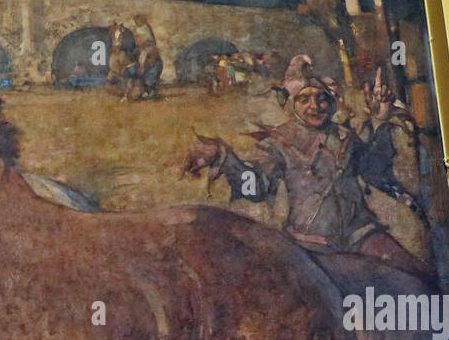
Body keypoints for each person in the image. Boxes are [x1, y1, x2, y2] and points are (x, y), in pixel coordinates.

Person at [181, 57, 429, 276]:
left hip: (360, 235)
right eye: (305, 99)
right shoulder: (279, 142)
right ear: (291, 105)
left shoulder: (345, 136)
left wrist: (379, 119)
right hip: (308, 243)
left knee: (416, 274)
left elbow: (372, 170)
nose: (315, 106)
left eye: (322, 98)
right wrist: (223, 158)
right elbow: (256, 186)